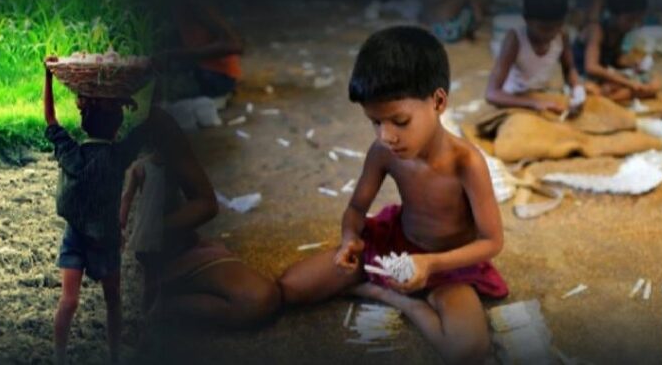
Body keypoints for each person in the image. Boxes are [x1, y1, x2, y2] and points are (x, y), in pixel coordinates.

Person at [277, 26, 507, 365]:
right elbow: (356, 207)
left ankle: (402, 300)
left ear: (439, 101)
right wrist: (349, 239)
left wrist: (429, 264)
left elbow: (492, 242)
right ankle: (382, 283)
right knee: (293, 288)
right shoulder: (382, 152)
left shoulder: (467, 162)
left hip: (448, 264)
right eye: (375, 122)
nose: (386, 136)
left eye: (399, 121)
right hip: (394, 248)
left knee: (467, 350)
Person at [119, 109, 280, 332]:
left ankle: (162, 308)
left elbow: (205, 204)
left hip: (172, 255)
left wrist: (154, 230)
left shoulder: (158, 125)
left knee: (259, 298)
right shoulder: (89, 136)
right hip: (113, 263)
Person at [43, 57, 149, 365]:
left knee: (68, 301)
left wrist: (48, 76)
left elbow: (50, 118)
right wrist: (158, 82)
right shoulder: (118, 156)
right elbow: (147, 125)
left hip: (75, 236)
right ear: (117, 128)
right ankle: (114, 356)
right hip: (106, 240)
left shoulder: (71, 153)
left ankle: (59, 358)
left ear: (82, 122)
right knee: (113, 300)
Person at [485, 0, 586, 115]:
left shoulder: (562, 36)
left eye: (556, 26)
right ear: (526, 20)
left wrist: (577, 89)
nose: (550, 34)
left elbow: (569, 69)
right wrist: (534, 104)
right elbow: (492, 93)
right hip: (513, 99)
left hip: (541, 95)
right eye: (544, 28)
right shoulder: (515, 40)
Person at [574, 0, 660, 103]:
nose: (633, 24)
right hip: (582, 77)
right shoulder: (596, 30)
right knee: (608, 88)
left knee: (654, 84)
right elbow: (591, 67)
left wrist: (631, 65)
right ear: (614, 14)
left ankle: (614, 96)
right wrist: (628, 82)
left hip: (602, 78)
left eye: (637, 20)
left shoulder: (619, 31)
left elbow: (615, 58)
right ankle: (610, 97)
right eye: (630, 19)